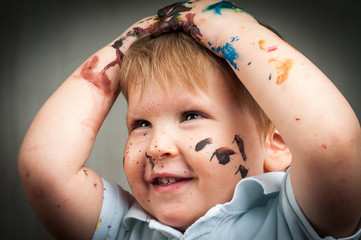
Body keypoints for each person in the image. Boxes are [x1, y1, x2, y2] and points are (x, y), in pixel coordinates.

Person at [18, 1, 361, 239]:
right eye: (141, 123)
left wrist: (224, 28)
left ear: (277, 142)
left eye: (192, 115)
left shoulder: (295, 222)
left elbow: (332, 144)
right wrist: (135, 38)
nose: (156, 146)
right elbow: (45, 167)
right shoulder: (122, 228)